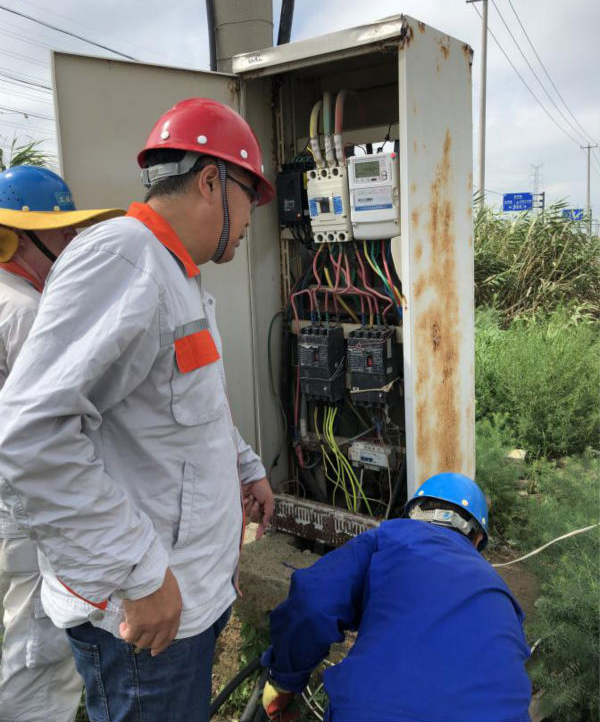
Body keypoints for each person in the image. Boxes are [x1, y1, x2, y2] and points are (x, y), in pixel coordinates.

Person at [0, 99, 276, 722]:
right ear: (211, 182)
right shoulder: (124, 259)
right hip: (144, 620)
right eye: (250, 198)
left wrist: (246, 467)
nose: (250, 220)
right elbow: (30, 434)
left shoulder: (177, 275)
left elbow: (192, 407)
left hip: (183, 602)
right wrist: (139, 573)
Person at [0, 164, 123, 722]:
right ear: (19, 238)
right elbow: (51, 426)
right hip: (31, 509)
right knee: (39, 652)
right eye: (62, 230)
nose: (73, 240)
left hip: (16, 505)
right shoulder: (24, 312)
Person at [262, 472, 532, 722]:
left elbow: (312, 603)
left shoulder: (389, 536)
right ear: (478, 539)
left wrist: (284, 681)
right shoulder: (501, 593)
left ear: (414, 514)